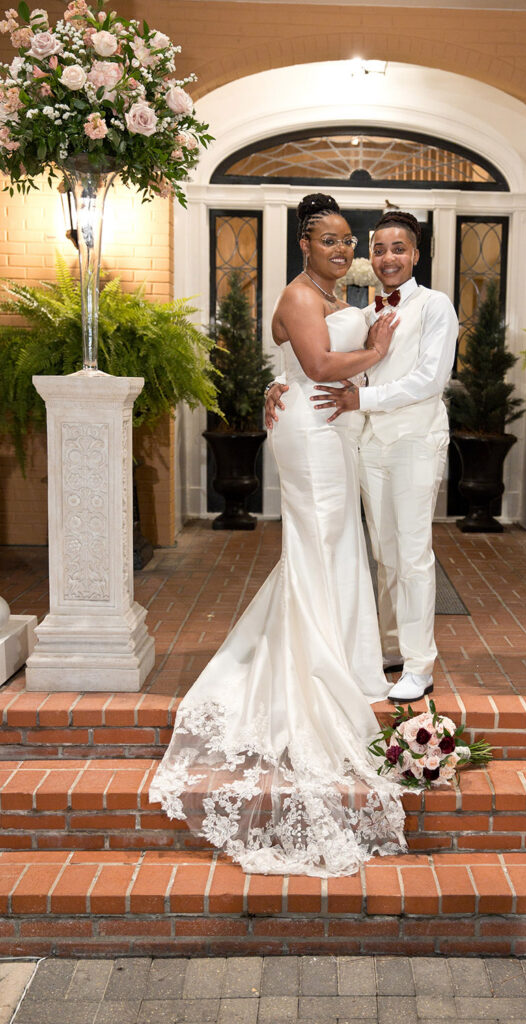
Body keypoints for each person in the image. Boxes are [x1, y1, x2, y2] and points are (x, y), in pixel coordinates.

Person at [149, 194, 406, 877]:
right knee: (321, 542)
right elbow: (320, 367)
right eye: (330, 241)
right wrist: (375, 349)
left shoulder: (326, 292)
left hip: (326, 429)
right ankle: (319, 662)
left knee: (333, 543)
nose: (344, 250)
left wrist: (279, 379)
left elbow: (293, 353)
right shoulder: (300, 293)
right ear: (304, 245)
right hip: (312, 434)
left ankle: (344, 656)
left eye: (348, 240)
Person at [267, 210, 459, 704]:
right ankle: (392, 647)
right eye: (378, 249)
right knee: (383, 553)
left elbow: (429, 382)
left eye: (399, 249)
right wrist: (280, 384)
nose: (387, 258)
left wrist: (361, 400)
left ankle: (419, 665)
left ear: (415, 255)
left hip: (415, 442)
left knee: (413, 554)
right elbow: (326, 359)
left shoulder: (436, 306)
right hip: (367, 444)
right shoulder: (368, 311)